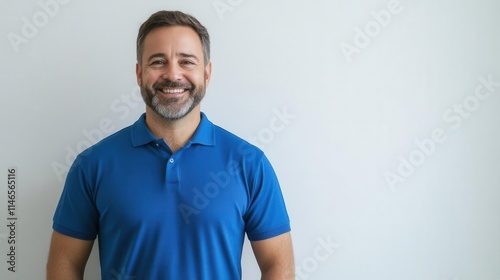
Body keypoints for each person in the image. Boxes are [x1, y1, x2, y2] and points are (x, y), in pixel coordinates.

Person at [46, 10, 294, 279]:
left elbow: (278, 265)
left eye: (187, 62)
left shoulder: (249, 163)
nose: (172, 74)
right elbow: (65, 264)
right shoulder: (93, 165)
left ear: (207, 74)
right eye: (158, 62)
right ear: (139, 74)